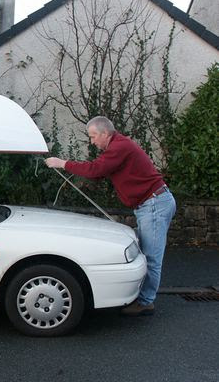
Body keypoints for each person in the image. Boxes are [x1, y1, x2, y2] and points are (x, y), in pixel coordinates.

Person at [45, 116, 176, 316]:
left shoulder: (119, 147)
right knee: (145, 253)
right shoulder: (117, 148)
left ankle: (145, 302)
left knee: (151, 257)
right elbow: (98, 172)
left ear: (105, 133)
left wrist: (62, 163)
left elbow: (96, 168)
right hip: (150, 204)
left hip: (154, 205)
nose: (92, 141)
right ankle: (140, 296)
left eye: (93, 136)